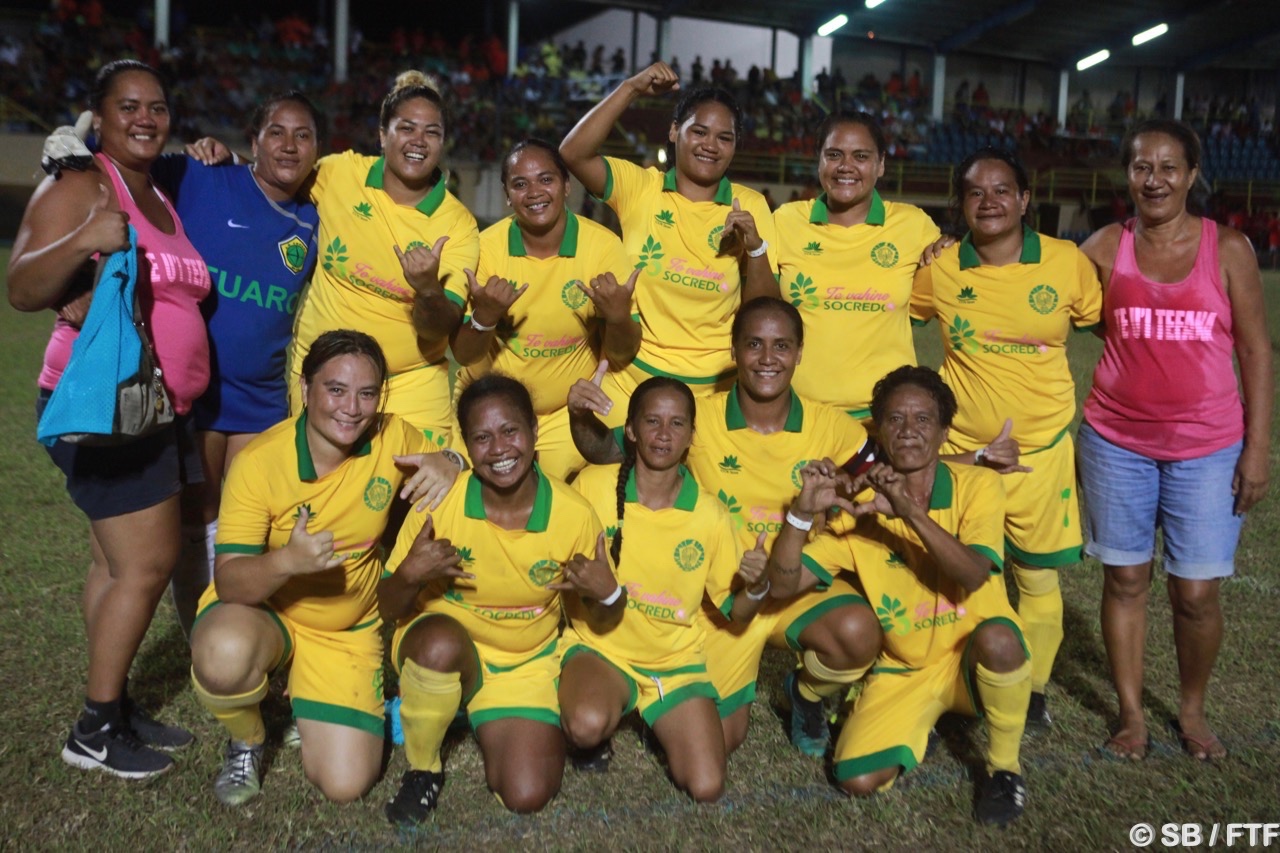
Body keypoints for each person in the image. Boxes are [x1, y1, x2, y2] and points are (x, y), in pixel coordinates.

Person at [8, 59, 209, 778]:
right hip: (104, 407)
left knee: (111, 564)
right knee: (147, 564)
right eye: (129, 106)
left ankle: (112, 703)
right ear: (100, 114)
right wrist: (83, 238)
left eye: (157, 106)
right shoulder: (84, 181)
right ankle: (94, 730)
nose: (146, 118)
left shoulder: (159, 187)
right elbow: (22, 284)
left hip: (155, 410)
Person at [569, 297, 880, 758]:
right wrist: (579, 415)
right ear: (733, 351)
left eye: (782, 346)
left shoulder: (833, 426)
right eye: (754, 344)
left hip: (795, 586)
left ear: (800, 353)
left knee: (857, 631)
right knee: (717, 740)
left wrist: (841, 500)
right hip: (724, 600)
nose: (768, 358)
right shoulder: (698, 420)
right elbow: (605, 452)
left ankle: (806, 694)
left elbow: (879, 483)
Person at [189, 330, 463, 806]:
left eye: (367, 393)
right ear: (305, 387)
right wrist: (287, 561)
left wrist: (451, 459)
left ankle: (308, 697)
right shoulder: (259, 462)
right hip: (266, 611)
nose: (352, 409)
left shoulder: (393, 436)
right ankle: (247, 739)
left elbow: (456, 463)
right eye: (336, 390)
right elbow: (229, 580)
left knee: (346, 784)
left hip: (344, 628)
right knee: (222, 652)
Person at [1078, 120, 1272, 761]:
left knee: (1195, 593)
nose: (1154, 179)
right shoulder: (1105, 246)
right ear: (1127, 175)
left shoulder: (1230, 248)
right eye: (1142, 167)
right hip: (1116, 442)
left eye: (1168, 167)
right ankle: (1132, 716)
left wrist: (1257, 449)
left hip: (1210, 448)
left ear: (1192, 175)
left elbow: (1255, 350)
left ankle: (1191, 710)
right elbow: (1045, 291)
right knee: (1125, 581)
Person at [767, 365, 1031, 826]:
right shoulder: (857, 512)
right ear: (880, 433)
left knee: (1001, 640)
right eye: (895, 419)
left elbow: (972, 574)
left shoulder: (978, 485)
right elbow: (783, 586)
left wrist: (910, 513)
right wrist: (801, 514)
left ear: (945, 433)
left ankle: (1005, 770)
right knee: (855, 778)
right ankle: (908, 715)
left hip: (971, 656)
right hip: (906, 668)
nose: (909, 430)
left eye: (923, 419)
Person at [910, 147, 1103, 728]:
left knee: (1038, 578)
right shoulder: (942, 268)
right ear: (960, 205)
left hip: (1041, 455)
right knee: (957, 574)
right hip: (964, 456)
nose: (989, 201)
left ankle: (1034, 689)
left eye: (1002, 190)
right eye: (975, 192)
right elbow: (902, 312)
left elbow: (1102, 323)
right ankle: (950, 679)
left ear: (1024, 200)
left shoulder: (1066, 261)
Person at [190, 70, 479, 447]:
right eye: (406, 128)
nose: (418, 141)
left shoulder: (458, 225)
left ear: (443, 142)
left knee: (424, 485)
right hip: (321, 376)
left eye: (432, 132)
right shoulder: (342, 173)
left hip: (409, 385)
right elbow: (279, 175)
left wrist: (427, 288)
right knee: (313, 483)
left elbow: (438, 329)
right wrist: (229, 156)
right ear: (383, 135)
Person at [379, 375, 619, 824]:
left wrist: (608, 593)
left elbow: (597, 620)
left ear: (534, 430)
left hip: (525, 662)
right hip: (445, 643)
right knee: (439, 645)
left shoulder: (573, 514)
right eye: (482, 437)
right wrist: (410, 573)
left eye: (510, 431)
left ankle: (452, 706)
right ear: (467, 446)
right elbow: (388, 607)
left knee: (527, 793)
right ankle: (423, 766)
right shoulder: (439, 503)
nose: (499, 449)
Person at [560, 62, 778, 428]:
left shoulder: (750, 205)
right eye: (699, 131)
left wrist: (755, 249)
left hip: (715, 390)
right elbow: (573, 153)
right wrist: (630, 88)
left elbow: (766, 312)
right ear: (675, 131)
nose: (710, 145)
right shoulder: (640, 188)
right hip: (632, 381)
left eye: (724, 138)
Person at [559, 377, 740, 801]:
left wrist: (760, 579)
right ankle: (602, 715)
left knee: (707, 786)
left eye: (677, 424)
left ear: (691, 436)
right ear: (631, 430)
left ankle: (659, 716)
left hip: (674, 661)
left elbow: (736, 604)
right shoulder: (592, 486)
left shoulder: (710, 514)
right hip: (603, 648)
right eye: (652, 421)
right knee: (584, 726)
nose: (663, 434)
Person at [449, 139, 641, 479]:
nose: (534, 192)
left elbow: (623, 353)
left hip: (563, 414)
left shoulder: (602, 247)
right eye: (520, 184)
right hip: (487, 407)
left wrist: (617, 316)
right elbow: (464, 355)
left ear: (567, 185)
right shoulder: (486, 250)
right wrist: (485, 317)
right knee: (460, 493)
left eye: (546, 179)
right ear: (507, 195)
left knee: (565, 500)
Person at [774, 112, 940, 420]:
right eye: (834, 155)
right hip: (800, 415)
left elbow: (929, 307)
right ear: (819, 160)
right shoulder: (785, 221)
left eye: (861, 156)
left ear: (881, 164)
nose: (846, 166)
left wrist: (952, 244)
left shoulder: (914, 226)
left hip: (885, 419)